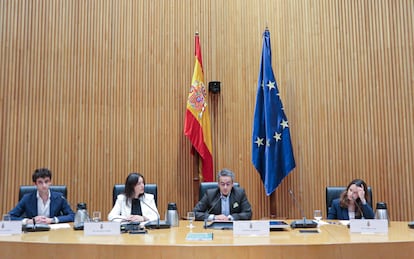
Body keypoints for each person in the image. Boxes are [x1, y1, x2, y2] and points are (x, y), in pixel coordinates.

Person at [9, 168, 75, 224]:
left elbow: (72, 215)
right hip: (33, 233)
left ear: (50, 182)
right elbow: (10, 216)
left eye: (46, 181)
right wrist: (29, 221)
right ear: (35, 184)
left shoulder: (59, 197)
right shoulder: (27, 198)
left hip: (53, 233)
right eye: (40, 182)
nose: (44, 185)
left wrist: (53, 220)